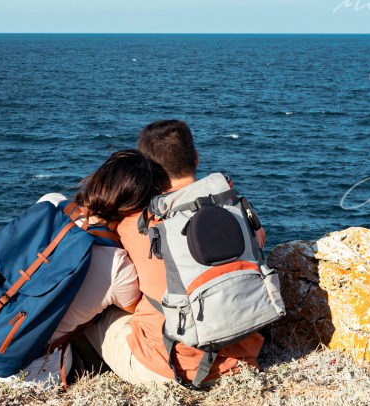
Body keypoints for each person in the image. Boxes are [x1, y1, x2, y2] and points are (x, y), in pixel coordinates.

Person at [0, 150, 166, 386]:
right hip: (4, 371)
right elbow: (132, 309)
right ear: (136, 209)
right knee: (107, 317)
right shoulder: (119, 266)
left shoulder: (50, 203)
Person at [83, 120, 266, 385]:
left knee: (96, 314)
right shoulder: (237, 211)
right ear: (196, 158)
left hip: (167, 368)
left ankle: (62, 370)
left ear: (144, 169)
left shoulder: (134, 222)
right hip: (243, 361)